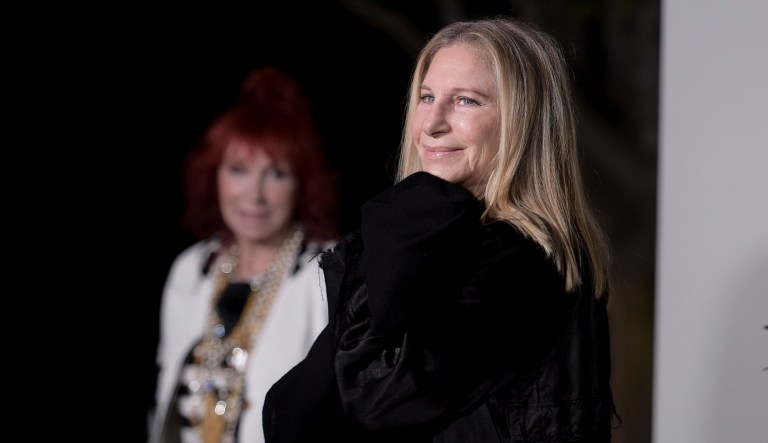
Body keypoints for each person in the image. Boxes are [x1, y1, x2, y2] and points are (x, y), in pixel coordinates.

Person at [262, 16, 619, 443]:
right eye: (427, 97)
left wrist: (393, 230)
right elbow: (294, 410)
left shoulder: (523, 259)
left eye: (466, 101)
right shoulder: (445, 240)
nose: (432, 123)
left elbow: (371, 396)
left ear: (522, 123)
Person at [147, 66, 340, 443]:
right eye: (238, 170)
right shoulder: (192, 269)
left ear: (301, 184)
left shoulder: (326, 271)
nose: (254, 195)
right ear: (213, 176)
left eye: (276, 174)